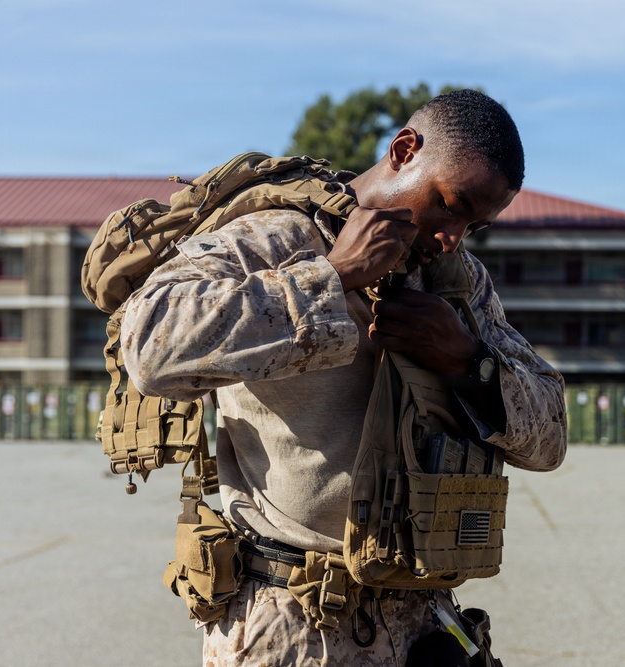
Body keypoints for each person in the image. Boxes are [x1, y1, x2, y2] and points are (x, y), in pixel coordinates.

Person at [120, 89, 568, 666]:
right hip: (293, 623)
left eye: (475, 226)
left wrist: (465, 358)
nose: (453, 237)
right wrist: (333, 278)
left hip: (423, 621)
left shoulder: (459, 282)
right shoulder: (278, 237)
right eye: (450, 205)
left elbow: (550, 436)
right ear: (405, 150)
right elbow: (151, 344)